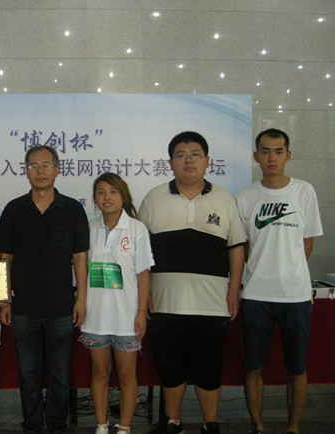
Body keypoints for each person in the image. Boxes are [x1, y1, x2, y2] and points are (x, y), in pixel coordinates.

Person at [138, 132, 246, 434]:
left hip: (212, 304)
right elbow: (140, 251)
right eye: (181, 155)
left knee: (209, 369)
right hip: (164, 303)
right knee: (170, 367)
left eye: (195, 154)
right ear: (170, 162)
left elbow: (236, 247)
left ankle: (211, 424)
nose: (188, 161)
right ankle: (172, 422)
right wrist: (144, 294)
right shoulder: (154, 198)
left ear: (207, 161)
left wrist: (234, 290)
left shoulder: (224, 199)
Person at [0, 145, 89, 433]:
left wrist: (81, 300)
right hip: (23, 307)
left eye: (46, 165)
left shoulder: (72, 209)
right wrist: (4, 299)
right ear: (26, 172)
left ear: (57, 170)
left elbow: (80, 258)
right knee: (28, 373)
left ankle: (58, 424)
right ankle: (33, 424)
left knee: (60, 373)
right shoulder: (14, 209)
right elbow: (4, 257)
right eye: (33, 166)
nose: (40, 171)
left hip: (61, 305)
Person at [236, 128, 323, 434]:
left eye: (278, 151)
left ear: (288, 155)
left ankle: (293, 427)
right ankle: (257, 425)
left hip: (295, 296)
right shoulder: (245, 197)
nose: (271, 157)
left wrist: (289, 270)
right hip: (256, 295)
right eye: (265, 151)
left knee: (297, 368)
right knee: (253, 366)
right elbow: (243, 248)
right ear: (255, 156)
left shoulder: (304, 191)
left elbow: (307, 243)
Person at [79, 173, 154, 434]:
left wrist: (141, 311)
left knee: (126, 375)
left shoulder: (136, 229)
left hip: (127, 317)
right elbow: (80, 270)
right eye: (101, 192)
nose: (107, 197)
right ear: (94, 199)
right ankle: (101, 426)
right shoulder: (88, 228)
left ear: (123, 196)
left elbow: (143, 273)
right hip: (95, 317)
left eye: (113, 192)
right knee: (100, 372)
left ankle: (124, 428)